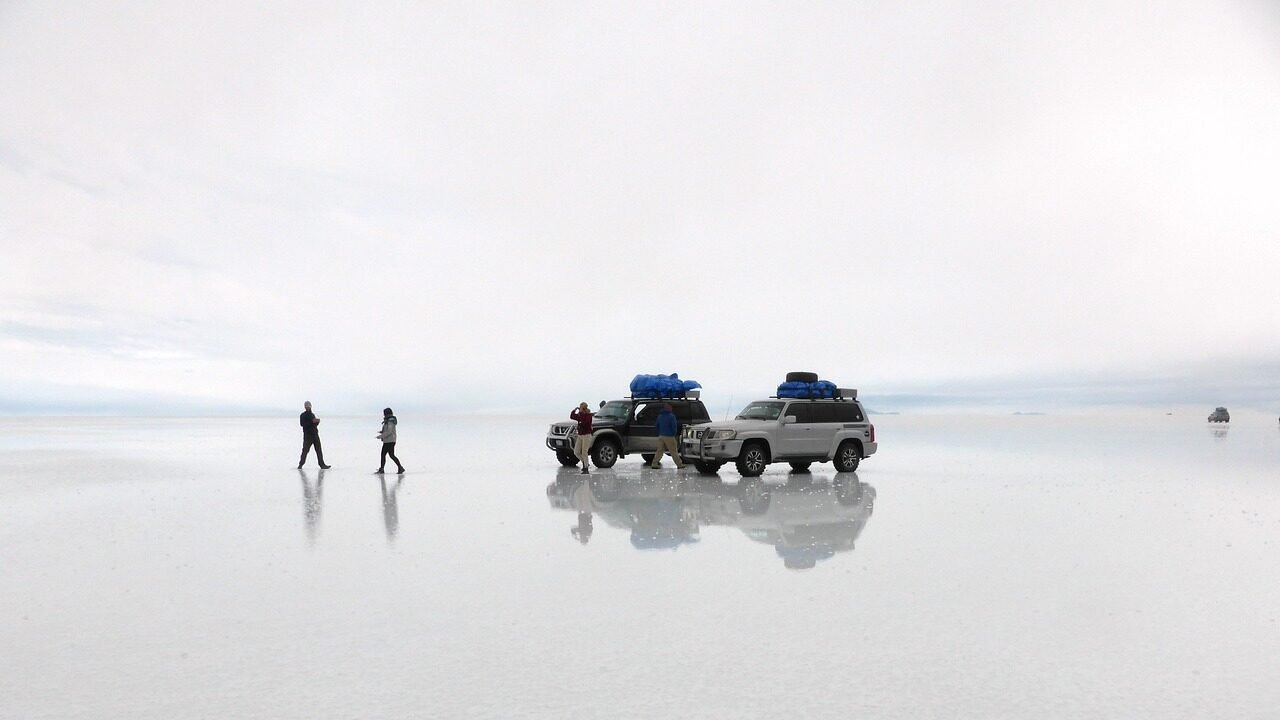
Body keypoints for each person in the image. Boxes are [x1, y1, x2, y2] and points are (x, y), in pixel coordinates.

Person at [651, 403, 685, 469]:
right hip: (669, 436)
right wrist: (674, 434)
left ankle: (654, 464)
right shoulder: (671, 416)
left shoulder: (660, 416)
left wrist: (659, 433)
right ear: (669, 409)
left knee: (659, 451)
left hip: (661, 436)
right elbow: (674, 427)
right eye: (670, 408)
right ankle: (679, 464)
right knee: (673, 451)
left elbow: (657, 426)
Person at [298, 401, 331, 469]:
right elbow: (302, 424)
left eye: (309, 406)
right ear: (305, 407)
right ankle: (301, 464)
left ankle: (322, 464)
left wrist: (317, 422)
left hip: (315, 435)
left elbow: (314, 425)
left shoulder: (312, 415)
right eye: (307, 406)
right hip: (308, 436)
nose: (308, 407)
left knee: (319, 450)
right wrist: (312, 422)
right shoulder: (303, 415)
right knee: (305, 451)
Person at [375, 407, 405, 474]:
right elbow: (387, 430)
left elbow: (389, 431)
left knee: (388, 455)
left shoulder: (390, 421)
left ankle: (399, 468)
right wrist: (382, 432)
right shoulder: (388, 421)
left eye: (384, 414)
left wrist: (381, 436)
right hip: (389, 440)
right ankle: (399, 468)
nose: (384, 415)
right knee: (388, 455)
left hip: (390, 441)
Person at [570, 401, 594, 474]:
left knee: (584, 452)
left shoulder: (588, 416)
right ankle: (585, 462)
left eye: (580, 408)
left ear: (583, 409)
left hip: (587, 435)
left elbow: (584, 422)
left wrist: (580, 414)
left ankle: (585, 467)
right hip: (580, 435)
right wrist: (574, 410)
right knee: (576, 452)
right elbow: (572, 416)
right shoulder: (580, 415)